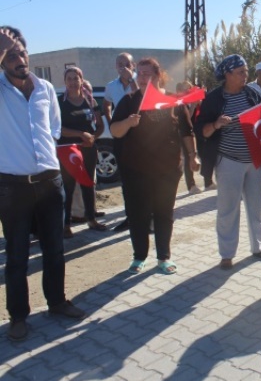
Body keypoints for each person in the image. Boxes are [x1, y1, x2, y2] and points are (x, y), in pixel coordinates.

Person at [0, 26, 86, 342]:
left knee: (54, 248)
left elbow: (54, 128)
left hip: (50, 182)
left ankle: (57, 302)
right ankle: (18, 317)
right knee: (18, 254)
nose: (18, 59)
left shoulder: (46, 88)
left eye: (21, 52)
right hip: (12, 187)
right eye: (10, 55)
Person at [110, 57, 200, 275]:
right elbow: (115, 131)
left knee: (163, 214)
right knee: (137, 215)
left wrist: (192, 156)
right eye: (139, 73)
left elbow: (187, 131)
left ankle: (163, 257)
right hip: (135, 170)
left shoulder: (172, 101)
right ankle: (139, 256)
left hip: (167, 170)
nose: (141, 78)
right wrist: (127, 123)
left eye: (146, 73)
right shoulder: (129, 101)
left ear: (158, 76)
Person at [196, 54, 261, 270]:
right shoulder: (214, 99)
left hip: (255, 161)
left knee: (256, 206)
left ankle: (258, 247)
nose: (246, 76)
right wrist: (216, 124)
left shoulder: (252, 93)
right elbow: (202, 131)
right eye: (241, 72)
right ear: (227, 74)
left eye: (246, 72)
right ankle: (226, 254)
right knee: (227, 209)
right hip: (228, 161)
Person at [58, 66, 107, 237]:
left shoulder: (90, 101)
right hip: (68, 150)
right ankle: (65, 224)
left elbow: (100, 126)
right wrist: (80, 134)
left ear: (81, 79)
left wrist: (93, 137)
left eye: (75, 78)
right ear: (65, 82)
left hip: (88, 149)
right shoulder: (59, 102)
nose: (72, 82)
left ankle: (91, 219)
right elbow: (58, 129)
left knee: (88, 184)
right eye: (69, 79)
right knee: (69, 187)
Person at [104, 52, 137, 232]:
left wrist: (131, 80)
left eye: (126, 64)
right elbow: (106, 104)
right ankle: (130, 217)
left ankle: (150, 217)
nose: (123, 67)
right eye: (119, 64)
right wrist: (111, 121)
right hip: (122, 135)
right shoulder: (111, 86)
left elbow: (141, 95)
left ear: (133, 65)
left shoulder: (141, 81)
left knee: (145, 178)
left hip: (141, 135)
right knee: (126, 179)